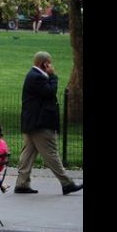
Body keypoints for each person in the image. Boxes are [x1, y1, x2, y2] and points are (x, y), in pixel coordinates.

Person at [14, 51, 83, 195]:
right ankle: (67, 183)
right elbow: (50, 92)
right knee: (51, 153)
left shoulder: (34, 75)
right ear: (44, 64)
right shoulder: (37, 77)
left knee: (28, 154)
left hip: (32, 123)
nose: (52, 65)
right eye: (50, 63)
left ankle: (22, 184)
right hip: (41, 124)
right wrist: (53, 76)